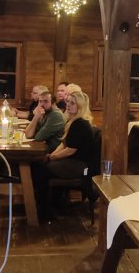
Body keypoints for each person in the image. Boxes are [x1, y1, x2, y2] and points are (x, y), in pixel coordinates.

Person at [33, 91, 96, 219]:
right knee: (40, 166)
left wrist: (51, 158)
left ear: (80, 106)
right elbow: (63, 144)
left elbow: (70, 150)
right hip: (74, 161)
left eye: (72, 103)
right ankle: (49, 206)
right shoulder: (72, 121)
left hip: (82, 166)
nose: (68, 105)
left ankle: (45, 211)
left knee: (41, 170)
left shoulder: (80, 124)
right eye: (68, 102)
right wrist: (51, 155)